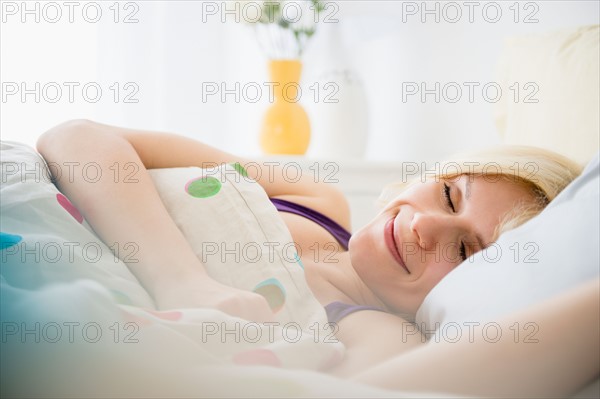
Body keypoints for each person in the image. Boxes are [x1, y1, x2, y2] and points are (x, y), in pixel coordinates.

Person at [37, 119, 584, 378]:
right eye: (447, 194)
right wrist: (181, 280)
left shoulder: (380, 333)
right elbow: (74, 139)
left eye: (465, 251)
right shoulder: (314, 199)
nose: (426, 226)